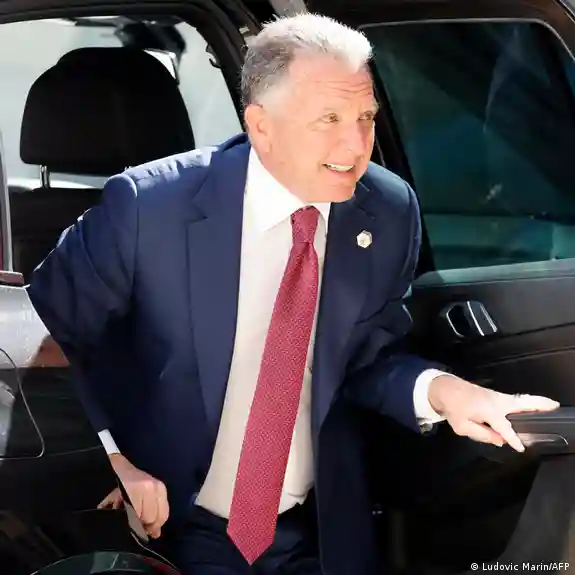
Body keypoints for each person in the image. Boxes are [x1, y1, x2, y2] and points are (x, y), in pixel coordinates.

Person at [26, 13, 559, 575]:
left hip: (316, 532)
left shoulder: (387, 208)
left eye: (365, 117)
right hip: (171, 527)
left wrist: (449, 394)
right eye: (329, 119)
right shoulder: (149, 208)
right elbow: (40, 344)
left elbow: (368, 358)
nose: (355, 145)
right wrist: (109, 459)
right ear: (261, 127)